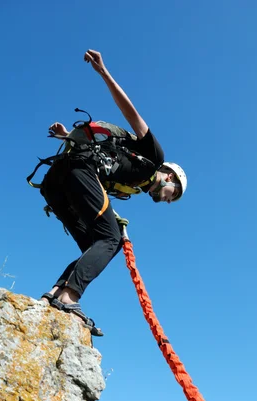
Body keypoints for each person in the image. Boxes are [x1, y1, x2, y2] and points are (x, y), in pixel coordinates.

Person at [38, 49, 187, 336]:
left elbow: (98, 163)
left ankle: (55, 294)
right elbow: (131, 113)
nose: (168, 200)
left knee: (96, 244)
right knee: (110, 239)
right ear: (170, 176)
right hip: (75, 173)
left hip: (58, 183)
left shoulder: (130, 185)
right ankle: (69, 298)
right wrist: (104, 73)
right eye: (173, 193)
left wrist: (67, 135)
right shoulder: (153, 157)